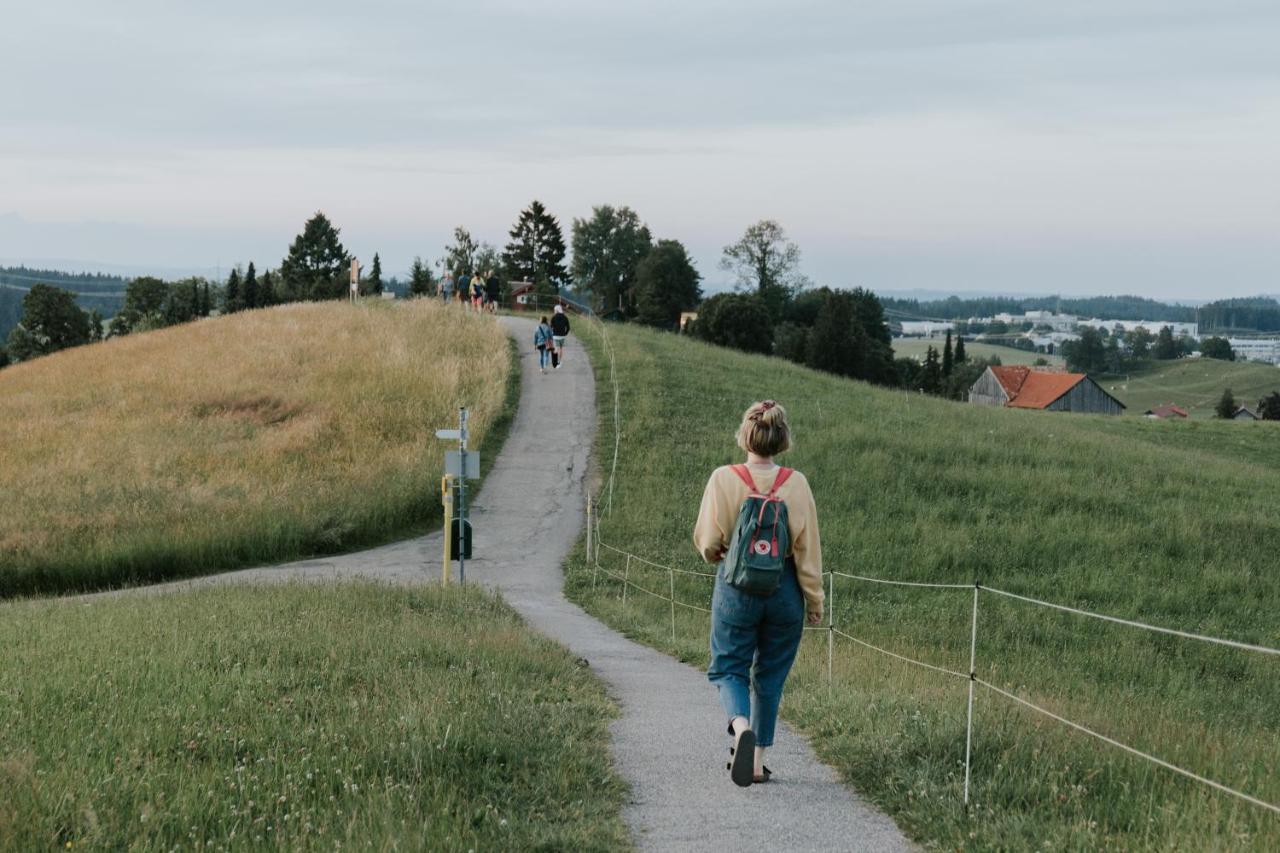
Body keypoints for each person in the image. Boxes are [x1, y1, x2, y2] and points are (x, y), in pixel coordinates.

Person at [693, 400, 822, 787]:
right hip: (783, 588)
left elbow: (708, 541)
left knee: (730, 667)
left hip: (736, 585)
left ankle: (740, 725)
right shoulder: (796, 483)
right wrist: (814, 601)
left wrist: (716, 551)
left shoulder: (723, 478)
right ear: (782, 439)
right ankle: (756, 761)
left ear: (745, 435)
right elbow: (807, 550)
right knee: (770, 675)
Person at [549, 304, 571, 369]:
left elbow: (550, 327)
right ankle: (560, 361)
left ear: (557, 310)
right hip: (562, 336)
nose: (554, 311)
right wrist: (565, 333)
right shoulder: (565, 317)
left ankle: (555, 362)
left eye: (554, 310)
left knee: (556, 348)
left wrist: (552, 332)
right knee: (561, 348)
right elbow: (568, 327)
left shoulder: (553, 317)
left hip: (555, 335)